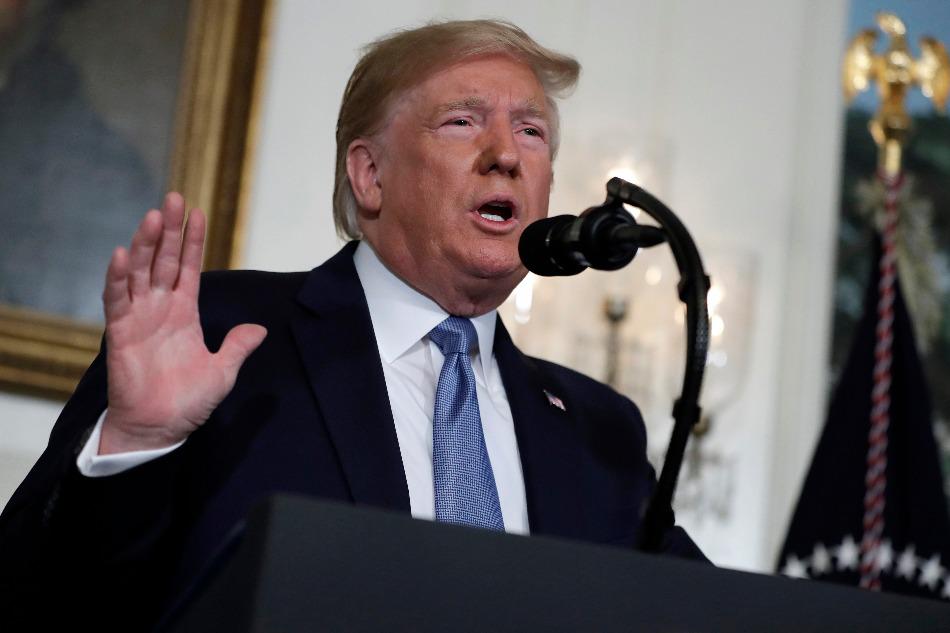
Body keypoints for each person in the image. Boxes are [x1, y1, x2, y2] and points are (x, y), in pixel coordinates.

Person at [0, 19, 705, 628]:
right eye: (463, 120)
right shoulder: (221, 336)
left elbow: (718, 612)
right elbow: (38, 603)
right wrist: (137, 444)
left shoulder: (598, 430)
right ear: (369, 175)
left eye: (532, 131)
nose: (507, 153)